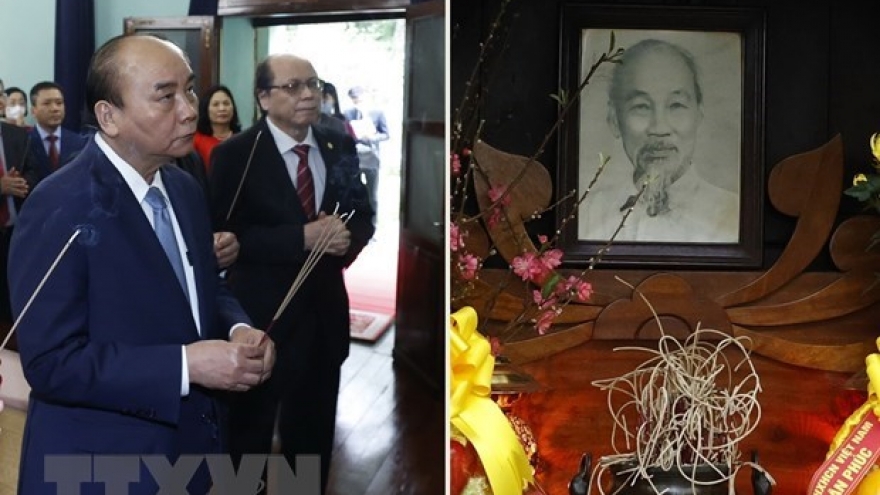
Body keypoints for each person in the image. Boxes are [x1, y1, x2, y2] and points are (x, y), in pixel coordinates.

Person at [9, 34, 275, 495]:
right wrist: (186, 366)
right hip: (99, 461)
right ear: (108, 117)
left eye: (189, 89)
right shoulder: (59, 206)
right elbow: (51, 361)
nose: (190, 109)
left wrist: (236, 330)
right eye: (165, 96)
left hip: (188, 450)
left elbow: (202, 284)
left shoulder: (184, 187)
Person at [209, 53, 375, 493]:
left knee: (313, 436)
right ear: (264, 98)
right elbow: (227, 237)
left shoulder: (338, 142)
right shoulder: (235, 154)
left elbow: (362, 215)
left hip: (323, 314)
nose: (307, 95)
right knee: (248, 435)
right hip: (260, 316)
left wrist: (345, 241)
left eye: (313, 85)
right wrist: (300, 238)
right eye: (293, 86)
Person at [578, 38, 739, 244]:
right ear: (614, 120)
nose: (659, 128)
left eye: (676, 105)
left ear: (699, 114)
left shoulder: (733, 214)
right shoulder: (586, 216)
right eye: (641, 107)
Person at [0, 78, 37, 343]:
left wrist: (22, 183)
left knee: (12, 300)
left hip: (16, 233)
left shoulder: (16, 134)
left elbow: (34, 169)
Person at [344, 85, 388, 227]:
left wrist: (371, 137)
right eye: (354, 100)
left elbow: (386, 134)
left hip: (371, 156)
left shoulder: (377, 113)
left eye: (359, 99)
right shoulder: (348, 114)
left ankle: (372, 224)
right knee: (353, 192)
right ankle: (355, 223)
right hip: (355, 156)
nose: (358, 103)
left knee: (372, 194)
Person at [27, 81, 89, 180]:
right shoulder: (24, 142)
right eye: (47, 104)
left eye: (59, 103)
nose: (55, 108)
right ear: (33, 111)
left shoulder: (79, 142)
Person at [193, 84, 241, 173]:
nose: (222, 108)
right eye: (215, 104)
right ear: (206, 109)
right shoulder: (196, 140)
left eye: (226, 103)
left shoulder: (242, 139)